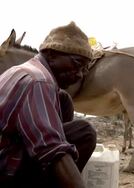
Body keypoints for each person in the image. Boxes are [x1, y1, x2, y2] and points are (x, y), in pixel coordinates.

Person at [0, 21, 96, 188]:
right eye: (76, 64)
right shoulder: (39, 81)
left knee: (63, 100)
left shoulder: (24, 69)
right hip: (5, 167)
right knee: (84, 133)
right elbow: (51, 148)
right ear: (51, 54)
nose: (79, 75)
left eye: (84, 69)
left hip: (7, 148)